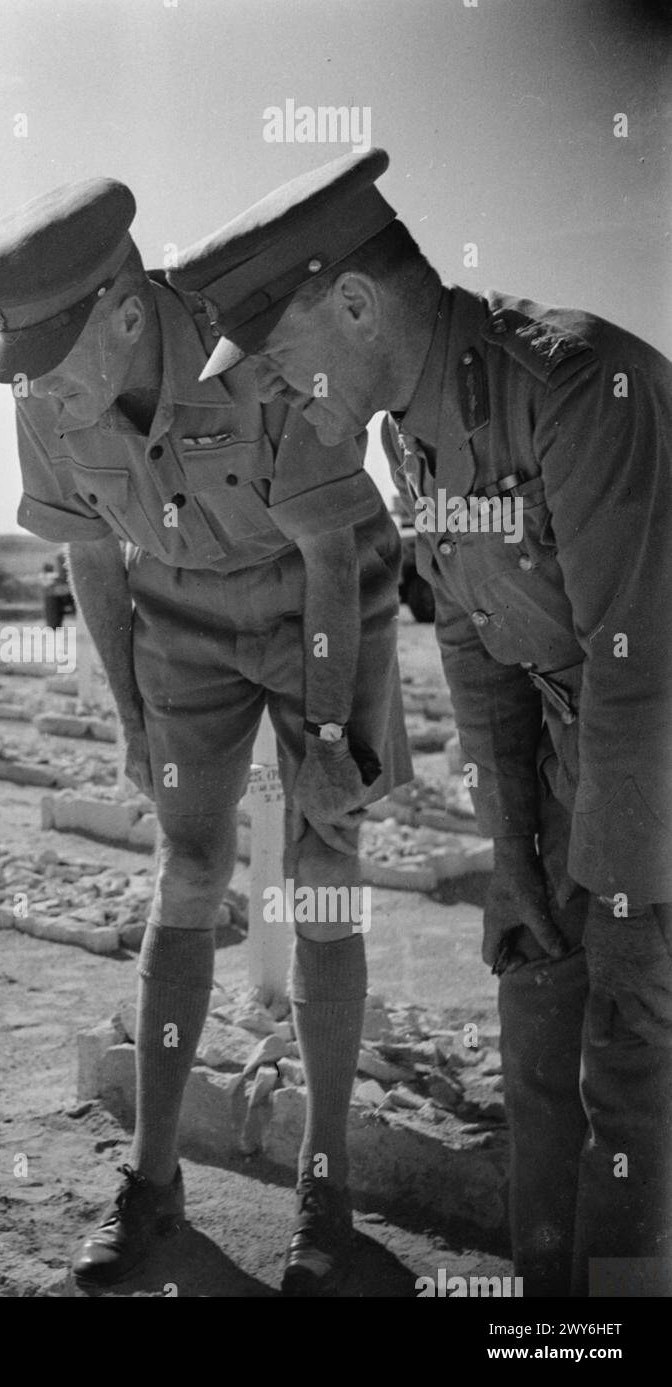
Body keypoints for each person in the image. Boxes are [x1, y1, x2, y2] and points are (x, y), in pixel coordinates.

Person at [172, 147, 672, 1297]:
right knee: (536, 1014)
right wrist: (515, 855)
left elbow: (637, 669)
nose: (279, 391)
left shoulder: (574, 387)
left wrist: (618, 898)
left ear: (354, 303)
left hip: (650, 755)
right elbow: (474, 640)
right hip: (575, 757)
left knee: (630, 1062)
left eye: (280, 358)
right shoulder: (407, 426)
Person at [0, 177, 412, 1294]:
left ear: (125, 312)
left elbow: (327, 550)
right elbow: (93, 553)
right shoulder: (44, 390)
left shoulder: (250, 342)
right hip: (182, 617)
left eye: (52, 365)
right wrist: (127, 713)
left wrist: (324, 736)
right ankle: (151, 1181)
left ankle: (324, 1187)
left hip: (321, 594)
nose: (39, 392)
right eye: (24, 369)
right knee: (190, 865)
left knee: (324, 864)